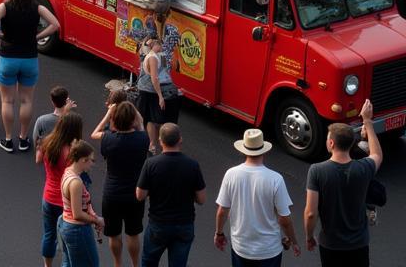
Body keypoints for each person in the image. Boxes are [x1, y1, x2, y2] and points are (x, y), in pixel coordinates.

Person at [0, 0, 60, 153]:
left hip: (8, 57)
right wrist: (38, 36)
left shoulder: (5, 6)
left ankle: (9, 139)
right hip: (29, 59)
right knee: (26, 101)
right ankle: (24, 138)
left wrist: (2, 35)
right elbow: (56, 25)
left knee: (7, 101)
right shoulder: (37, 8)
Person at [305, 99, 381, 267]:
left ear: (331, 143)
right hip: (359, 244)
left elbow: (311, 213)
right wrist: (367, 121)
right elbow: (377, 154)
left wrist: (309, 237)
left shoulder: (317, 170)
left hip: (331, 244)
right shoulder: (364, 167)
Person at [215, 128, 299, 266]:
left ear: (243, 150)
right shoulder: (275, 179)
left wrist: (219, 233)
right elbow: (284, 219)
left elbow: (222, 211)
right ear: (264, 151)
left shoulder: (231, 174)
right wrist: (293, 241)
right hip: (269, 251)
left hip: (240, 248)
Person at [135, 123, 207, 267]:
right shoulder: (192, 165)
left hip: (158, 224)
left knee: (149, 262)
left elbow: (140, 195)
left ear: (160, 141)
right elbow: (201, 199)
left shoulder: (151, 164)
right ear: (180, 139)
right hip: (184, 225)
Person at [92, 99, 149, 267]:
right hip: (135, 194)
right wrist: (136, 114)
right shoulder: (142, 139)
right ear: (133, 119)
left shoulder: (108, 139)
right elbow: (141, 125)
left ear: (115, 119)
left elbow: (96, 131)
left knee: (114, 234)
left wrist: (109, 114)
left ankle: (118, 263)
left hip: (112, 194)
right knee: (133, 233)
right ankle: (135, 264)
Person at [36, 111, 85, 267]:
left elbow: (38, 159)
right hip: (66, 202)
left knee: (49, 235)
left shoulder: (47, 143)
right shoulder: (73, 153)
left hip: (48, 197)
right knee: (67, 240)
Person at [58, 140, 103, 267]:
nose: (92, 164)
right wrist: (97, 220)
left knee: (68, 263)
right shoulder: (76, 182)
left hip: (65, 224)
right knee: (91, 263)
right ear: (83, 160)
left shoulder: (67, 171)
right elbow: (77, 213)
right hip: (77, 230)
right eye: (91, 160)